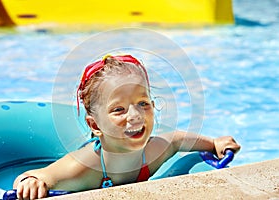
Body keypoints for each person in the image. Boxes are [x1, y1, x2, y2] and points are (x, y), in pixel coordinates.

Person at [13, 54, 241, 199]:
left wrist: (213, 142)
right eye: (119, 110)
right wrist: (29, 183)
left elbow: (177, 140)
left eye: (142, 104)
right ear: (95, 125)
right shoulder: (83, 166)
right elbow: (32, 176)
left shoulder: (153, 151)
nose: (135, 116)